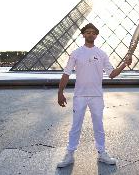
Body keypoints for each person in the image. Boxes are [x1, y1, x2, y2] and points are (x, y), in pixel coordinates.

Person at [57, 23, 132, 168]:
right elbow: (66, 73)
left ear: (96, 35)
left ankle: (102, 152)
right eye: (87, 32)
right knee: (75, 125)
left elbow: (111, 74)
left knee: (99, 125)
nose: (90, 34)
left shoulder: (102, 54)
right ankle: (70, 154)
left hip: (96, 96)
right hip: (80, 95)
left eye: (93, 32)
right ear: (83, 35)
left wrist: (124, 64)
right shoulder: (76, 53)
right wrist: (60, 92)